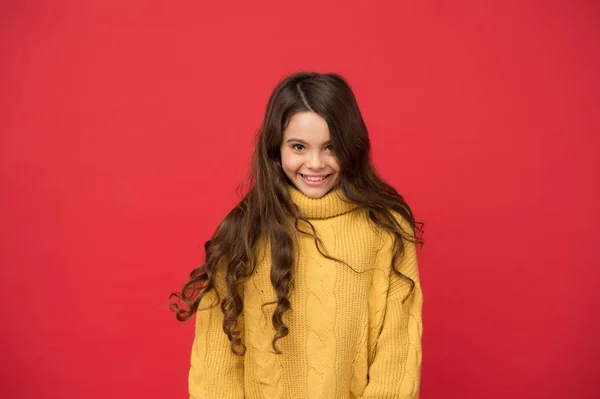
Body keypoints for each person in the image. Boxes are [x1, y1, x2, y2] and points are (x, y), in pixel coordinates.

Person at [170, 72, 424, 398]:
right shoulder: (243, 231)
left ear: (352, 148)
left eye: (331, 147)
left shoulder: (384, 228)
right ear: (276, 148)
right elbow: (218, 359)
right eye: (299, 147)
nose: (315, 163)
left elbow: (396, 355)